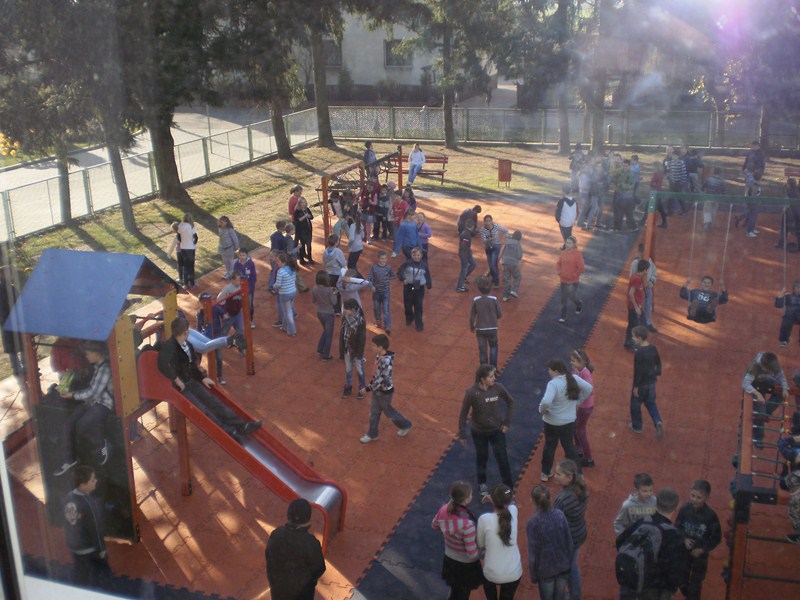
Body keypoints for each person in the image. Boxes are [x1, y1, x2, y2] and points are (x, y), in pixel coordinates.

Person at [157, 317, 261, 441]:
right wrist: (176, 379)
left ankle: (241, 425)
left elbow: (191, 365)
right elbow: (162, 364)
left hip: (190, 381)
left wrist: (202, 378)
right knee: (204, 410)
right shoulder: (169, 347)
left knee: (214, 402)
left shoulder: (187, 345)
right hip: (182, 388)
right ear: (185, 333)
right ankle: (229, 432)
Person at [54, 341, 115, 476]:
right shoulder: (98, 366)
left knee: (83, 424)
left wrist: (72, 395)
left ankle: (101, 444)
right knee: (69, 423)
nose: (86, 356)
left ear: (96, 353)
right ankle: (69, 459)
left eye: (88, 354)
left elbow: (94, 392)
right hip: (91, 402)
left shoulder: (105, 369)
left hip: (103, 404)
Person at [615, 488, 687, 600]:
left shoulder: (643, 521)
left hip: (632, 578)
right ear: (676, 507)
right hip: (653, 587)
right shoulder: (674, 535)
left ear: (655, 503)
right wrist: (673, 588)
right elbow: (674, 569)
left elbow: (620, 541)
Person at [457, 365, 515, 498]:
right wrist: (462, 433)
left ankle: (509, 488)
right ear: (482, 379)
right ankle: (482, 483)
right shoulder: (471, 393)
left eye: (493, 376)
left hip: (497, 431)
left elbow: (511, 402)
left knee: (503, 459)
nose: (494, 378)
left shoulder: (498, 388)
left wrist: (506, 423)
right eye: (491, 376)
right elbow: (463, 413)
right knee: (482, 458)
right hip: (479, 433)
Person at [539, 360, 592, 482]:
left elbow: (546, 401)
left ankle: (545, 472)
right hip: (568, 422)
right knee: (569, 448)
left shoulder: (553, 384)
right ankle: (578, 474)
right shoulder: (573, 378)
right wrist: (578, 401)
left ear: (556, 371)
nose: (548, 372)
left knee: (549, 447)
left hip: (551, 422)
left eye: (549, 370)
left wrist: (542, 410)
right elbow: (589, 388)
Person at [265, 498, 326, 600]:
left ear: (288, 515)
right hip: (302, 593)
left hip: (278, 589)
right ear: (308, 519)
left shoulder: (276, 534)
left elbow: (268, 555)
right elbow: (319, 568)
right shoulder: (310, 542)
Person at [432, 480, 483, 600]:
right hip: (465, 566)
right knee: (463, 594)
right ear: (466, 500)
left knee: (455, 590)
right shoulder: (468, 525)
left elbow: (434, 525)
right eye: (471, 494)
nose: (472, 496)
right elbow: (471, 554)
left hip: (450, 559)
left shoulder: (444, 509)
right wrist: (483, 553)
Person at [62, 466, 112, 587]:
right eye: (92, 480)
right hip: (89, 549)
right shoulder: (89, 503)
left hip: (74, 547)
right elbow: (96, 528)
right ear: (83, 485)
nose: (96, 481)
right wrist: (102, 549)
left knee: (81, 573)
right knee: (103, 572)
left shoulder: (68, 497)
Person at [359, 334, 412, 442]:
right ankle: (372, 434)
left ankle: (406, 425)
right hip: (377, 390)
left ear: (380, 347)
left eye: (373, 346)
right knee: (374, 413)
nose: (371, 347)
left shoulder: (386, 361)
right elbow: (376, 374)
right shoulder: (379, 356)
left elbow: (382, 379)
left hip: (384, 392)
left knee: (389, 413)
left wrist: (367, 389)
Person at [675, 480, 722, 600]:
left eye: (699, 497)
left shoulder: (710, 516)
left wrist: (702, 549)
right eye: (693, 495)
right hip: (684, 553)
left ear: (707, 498)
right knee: (681, 581)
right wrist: (684, 539)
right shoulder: (684, 509)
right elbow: (677, 527)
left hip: (700, 557)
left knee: (695, 585)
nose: (695, 500)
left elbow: (716, 538)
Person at [526, 484, 572, 600]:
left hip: (545, 571)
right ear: (550, 498)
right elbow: (569, 541)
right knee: (559, 596)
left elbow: (532, 554)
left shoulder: (532, 523)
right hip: (563, 566)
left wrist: (533, 575)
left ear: (532, 500)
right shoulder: (560, 515)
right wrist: (569, 562)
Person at [477, 485, 522, 600]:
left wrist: (492, 499)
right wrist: (494, 500)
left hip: (491, 572)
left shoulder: (484, 519)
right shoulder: (513, 511)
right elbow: (509, 506)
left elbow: (481, 544)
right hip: (513, 573)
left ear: (493, 500)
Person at [553, 460, 588, 600]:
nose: (555, 476)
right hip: (579, 533)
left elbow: (556, 521)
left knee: (565, 571)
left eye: (558, 474)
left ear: (569, 477)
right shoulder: (582, 488)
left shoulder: (562, 498)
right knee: (573, 565)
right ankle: (575, 595)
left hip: (567, 539)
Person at [742, 351, 789, 448]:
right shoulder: (754, 367)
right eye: (770, 371)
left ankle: (766, 411)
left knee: (779, 392)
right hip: (754, 384)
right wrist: (757, 394)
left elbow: (781, 376)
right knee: (760, 415)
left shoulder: (773, 364)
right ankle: (758, 438)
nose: (772, 372)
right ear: (763, 366)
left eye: (772, 371)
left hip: (764, 379)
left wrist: (784, 388)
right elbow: (745, 383)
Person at [629, 326, 664, 439]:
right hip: (651, 383)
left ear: (639, 338)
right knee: (651, 403)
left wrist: (636, 387)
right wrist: (657, 373)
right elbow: (658, 362)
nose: (632, 338)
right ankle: (657, 421)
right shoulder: (653, 348)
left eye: (634, 337)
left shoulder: (639, 353)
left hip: (641, 385)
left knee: (635, 405)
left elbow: (638, 371)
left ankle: (637, 426)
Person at [0, 266, 24, 395]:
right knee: (21, 347)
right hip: (13, 323)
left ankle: (18, 370)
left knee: (14, 349)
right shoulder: (9, 289)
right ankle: (23, 370)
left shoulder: (11, 288)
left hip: (8, 324)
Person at [570, 349, 595, 468]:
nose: (571, 363)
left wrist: (578, 400)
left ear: (581, 362)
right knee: (576, 427)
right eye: (571, 360)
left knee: (580, 430)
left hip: (585, 407)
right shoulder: (577, 371)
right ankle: (578, 448)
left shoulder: (586, 374)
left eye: (574, 361)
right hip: (580, 406)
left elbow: (589, 390)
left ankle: (589, 458)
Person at [470, 276, 502, 369]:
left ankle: (484, 370)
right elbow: (500, 314)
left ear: (479, 288)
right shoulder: (494, 299)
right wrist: (493, 318)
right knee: (493, 347)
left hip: (480, 329)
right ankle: (493, 369)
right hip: (492, 328)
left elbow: (472, 316)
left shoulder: (476, 300)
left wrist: (472, 326)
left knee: (482, 350)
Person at [397, 247, 432, 332]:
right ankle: (409, 317)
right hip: (408, 286)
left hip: (419, 288)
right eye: (414, 255)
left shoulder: (424, 265)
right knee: (408, 305)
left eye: (418, 255)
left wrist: (429, 284)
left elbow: (428, 275)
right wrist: (403, 278)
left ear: (421, 256)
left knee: (418, 306)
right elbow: (400, 271)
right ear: (411, 255)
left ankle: (419, 324)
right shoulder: (407, 264)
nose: (416, 257)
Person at [340, 299, 367, 398]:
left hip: (356, 351)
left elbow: (362, 339)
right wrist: (341, 349)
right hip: (347, 349)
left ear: (353, 309)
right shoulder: (345, 318)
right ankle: (348, 386)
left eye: (346, 309)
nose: (345, 311)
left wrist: (359, 354)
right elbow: (342, 334)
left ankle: (362, 388)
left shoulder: (360, 321)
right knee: (348, 369)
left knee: (359, 370)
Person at [556, 236, 584, 324]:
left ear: (574, 245)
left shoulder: (578, 255)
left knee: (571, 296)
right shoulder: (563, 253)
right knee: (563, 298)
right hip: (563, 280)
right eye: (567, 243)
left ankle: (578, 303)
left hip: (573, 281)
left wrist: (574, 275)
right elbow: (558, 263)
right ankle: (563, 316)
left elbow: (581, 268)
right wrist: (559, 272)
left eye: (570, 243)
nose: (567, 245)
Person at [630, 245, 658, 333]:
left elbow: (654, 272)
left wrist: (651, 282)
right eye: (641, 252)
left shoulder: (649, 261)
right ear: (639, 252)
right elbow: (632, 277)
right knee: (638, 307)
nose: (643, 254)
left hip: (648, 288)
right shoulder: (635, 263)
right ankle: (636, 325)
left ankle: (647, 322)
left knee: (648, 306)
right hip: (638, 289)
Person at [367, 251, 395, 334]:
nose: (384, 260)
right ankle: (378, 320)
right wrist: (371, 286)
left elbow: (393, 276)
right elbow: (369, 278)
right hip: (376, 292)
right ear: (378, 259)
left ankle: (388, 326)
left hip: (386, 291)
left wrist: (388, 279)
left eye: (385, 258)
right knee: (376, 308)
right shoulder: (374, 267)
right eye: (382, 258)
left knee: (386, 309)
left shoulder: (388, 267)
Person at [312, 271, 337, 361]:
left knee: (325, 331)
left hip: (319, 313)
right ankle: (326, 355)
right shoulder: (329, 290)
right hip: (329, 314)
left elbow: (313, 300)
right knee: (329, 335)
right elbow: (334, 302)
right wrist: (334, 293)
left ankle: (320, 349)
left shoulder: (315, 288)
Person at [624, 260, 648, 349]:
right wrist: (636, 307)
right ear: (644, 270)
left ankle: (629, 342)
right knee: (635, 326)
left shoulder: (637, 277)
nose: (647, 271)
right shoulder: (637, 279)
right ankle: (631, 343)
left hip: (637, 306)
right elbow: (630, 293)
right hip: (634, 307)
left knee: (635, 324)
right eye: (647, 269)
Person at [273, 252, 298, 337]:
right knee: (288, 309)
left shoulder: (280, 271)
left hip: (285, 294)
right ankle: (284, 326)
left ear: (283, 262)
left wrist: (273, 287)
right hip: (293, 291)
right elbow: (294, 279)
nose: (277, 263)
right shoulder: (292, 268)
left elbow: (278, 284)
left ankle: (292, 330)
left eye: (278, 261)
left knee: (287, 312)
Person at [480, 215, 508, 288]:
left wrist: (506, 238)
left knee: (493, 263)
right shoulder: (482, 229)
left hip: (496, 246)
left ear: (492, 221)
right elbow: (484, 240)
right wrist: (491, 239)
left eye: (489, 221)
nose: (488, 223)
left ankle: (496, 281)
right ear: (484, 222)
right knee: (491, 264)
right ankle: (493, 278)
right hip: (488, 247)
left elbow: (505, 231)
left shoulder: (496, 226)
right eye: (486, 221)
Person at [233, 248, 257, 328]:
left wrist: (250, 288)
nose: (242, 257)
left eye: (243, 255)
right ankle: (240, 321)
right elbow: (234, 276)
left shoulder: (251, 264)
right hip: (239, 289)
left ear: (247, 255)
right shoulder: (236, 264)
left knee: (249, 305)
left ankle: (250, 320)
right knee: (239, 305)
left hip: (249, 289)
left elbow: (253, 277)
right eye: (240, 255)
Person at [612, 159, 637, 231]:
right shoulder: (618, 171)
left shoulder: (631, 174)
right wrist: (616, 188)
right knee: (617, 212)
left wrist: (622, 185)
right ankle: (617, 228)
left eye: (626, 166)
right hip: (618, 195)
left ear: (629, 166)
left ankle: (633, 227)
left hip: (627, 196)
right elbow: (613, 181)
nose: (624, 167)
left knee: (629, 212)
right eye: (623, 166)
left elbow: (631, 186)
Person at [500, 231, 523, 302]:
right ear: (519, 238)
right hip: (513, 263)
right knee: (518, 276)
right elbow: (519, 256)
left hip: (505, 262)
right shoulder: (518, 244)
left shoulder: (507, 242)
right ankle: (513, 290)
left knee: (506, 279)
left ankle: (505, 296)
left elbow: (502, 250)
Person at [776, 281, 800, 347]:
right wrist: (781, 294)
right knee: (787, 316)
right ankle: (784, 340)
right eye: (798, 287)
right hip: (790, 315)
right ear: (795, 288)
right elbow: (778, 304)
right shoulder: (789, 297)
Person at [457, 218, 478, 293]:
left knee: (474, 264)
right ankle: (459, 287)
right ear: (472, 227)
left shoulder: (467, 233)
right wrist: (467, 253)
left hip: (467, 253)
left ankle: (464, 277)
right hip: (464, 254)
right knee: (464, 269)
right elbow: (464, 246)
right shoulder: (466, 235)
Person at [178, 213, 198, 288]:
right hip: (190, 248)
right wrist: (193, 244)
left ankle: (186, 283)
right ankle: (192, 284)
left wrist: (182, 243)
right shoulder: (191, 226)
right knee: (191, 267)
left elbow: (178, 236)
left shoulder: (180, 226)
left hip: (183, 248)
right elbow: (196, 238)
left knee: (185, 266)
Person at [293, 196, 315, 264]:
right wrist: (304, 216)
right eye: (302, 203)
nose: (304, 204)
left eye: (304, 202)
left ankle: (310, 258)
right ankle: (301, 259)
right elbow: (296, 221)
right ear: (299, 204)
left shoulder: (307, 209)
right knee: (302, 245)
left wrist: (309, 216)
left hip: (308, 230)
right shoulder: (297, 211)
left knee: (309, 245)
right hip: (301, 231)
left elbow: (312, 217)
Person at [555, 184, 578, 249]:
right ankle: (568, 245)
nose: (561, 192)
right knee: (569, 234)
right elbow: (577, 212)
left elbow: (558, 213)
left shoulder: (561, 201)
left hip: (564, 222)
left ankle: (572, 248)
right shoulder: (574, 200)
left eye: (561, 191)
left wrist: (559, 220)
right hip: (571, 221)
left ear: (564, 192)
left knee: (566, 237)